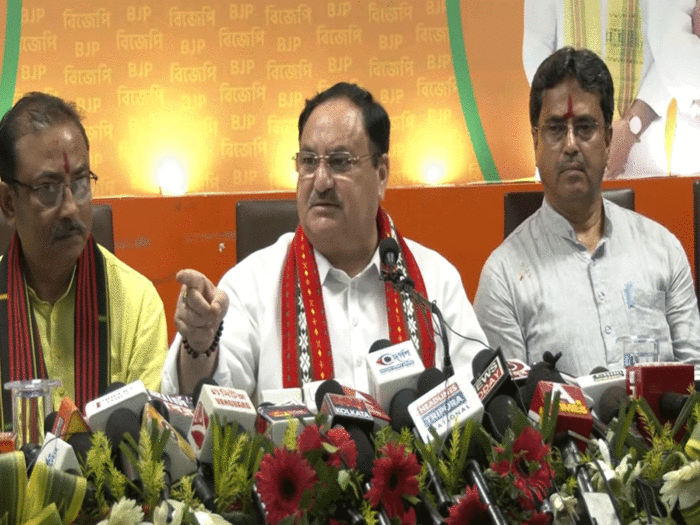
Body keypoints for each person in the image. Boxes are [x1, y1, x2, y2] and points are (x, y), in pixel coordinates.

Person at [161, 82, 487, 398]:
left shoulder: (433, 283)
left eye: (340, 161)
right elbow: (204, 403)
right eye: (308, 161)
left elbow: (478, 395)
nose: (321, 181)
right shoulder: (252, 285)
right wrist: (200, 344)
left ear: (381, 174)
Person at [473, 48, 700, 377]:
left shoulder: (662, 250)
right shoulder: (504, 279)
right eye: (554, 129)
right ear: (535, 143)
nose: (570, 145)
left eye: (585, 128)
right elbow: (509, 414)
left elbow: (696, 379)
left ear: (608, 141)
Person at [0, 92, 168, 429]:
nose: (70, 208)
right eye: (48, 188)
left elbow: (148, 454)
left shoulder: (137, 303)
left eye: (79, 183)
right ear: (7, 202)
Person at [522, 0, 679, 178]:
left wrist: (630, 129)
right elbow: (536, 48)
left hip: (643, 147)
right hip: (569, 141)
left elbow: (672, 53)